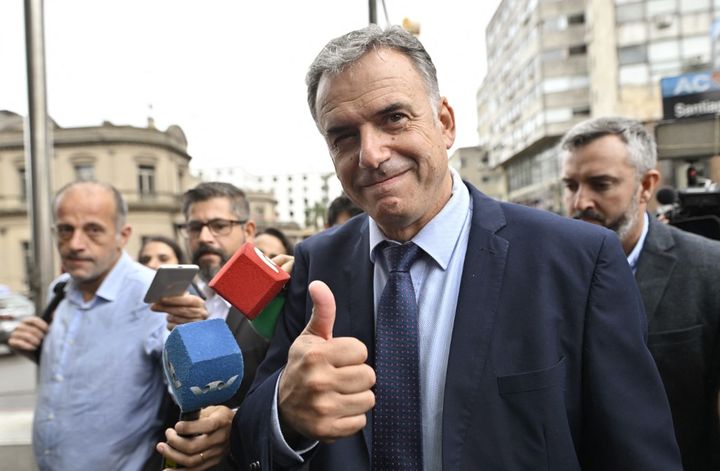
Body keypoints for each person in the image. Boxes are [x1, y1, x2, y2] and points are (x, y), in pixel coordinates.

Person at [228, 25, 681, 470]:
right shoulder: (317, 261)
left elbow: (637, 452)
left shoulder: (578, 261)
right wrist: (285, 413)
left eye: (393, 118)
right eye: (343, 136)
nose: (370, 153)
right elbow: (255, 427)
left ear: (444, 123)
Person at [559, 116, 720, 470]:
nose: (580, 202)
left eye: (601, 184)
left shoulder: (710, 270)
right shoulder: (539, 274)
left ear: (646, 186)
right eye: (570, 185)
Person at [8, 181, 167, 470]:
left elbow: (189, 395)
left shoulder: (153, 297)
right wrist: (39, 351)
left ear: (123, 235)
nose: (75, 244)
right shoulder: (60, 289)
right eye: (65, 230)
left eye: (93, 230)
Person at [153, 182, 292, 470]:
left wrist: (234, 425)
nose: (205, 237)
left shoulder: (277, 300)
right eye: (195, 227)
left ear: (248, 231)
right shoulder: (169, 298)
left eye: (219, 225)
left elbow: (289, 392)